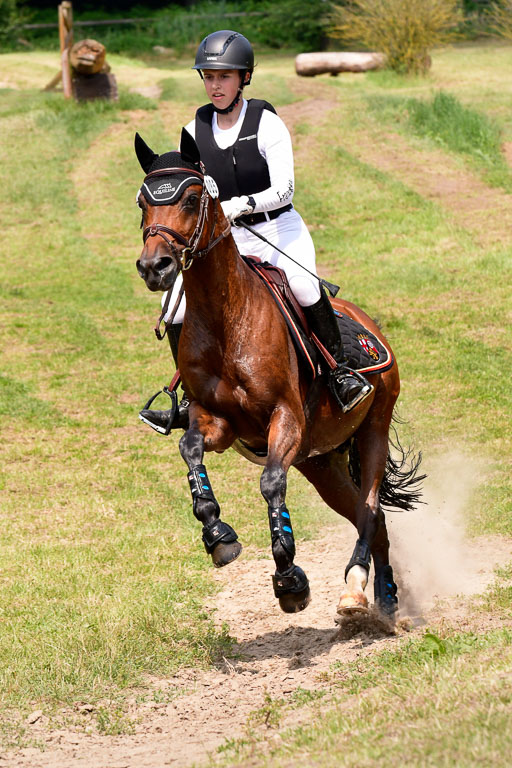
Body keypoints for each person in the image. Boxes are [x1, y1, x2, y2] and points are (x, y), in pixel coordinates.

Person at [139, 30, 372, 434]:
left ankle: (339, 375)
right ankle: (189, 398)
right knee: (175, 308)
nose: (215, 85)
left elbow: (285, 188)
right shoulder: (194, 130)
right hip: (222, 238)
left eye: (224, 77)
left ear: (244, 78)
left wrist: (241, 204)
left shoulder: (267, 124)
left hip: (278, 228)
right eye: (209, 77)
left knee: (303, 287)